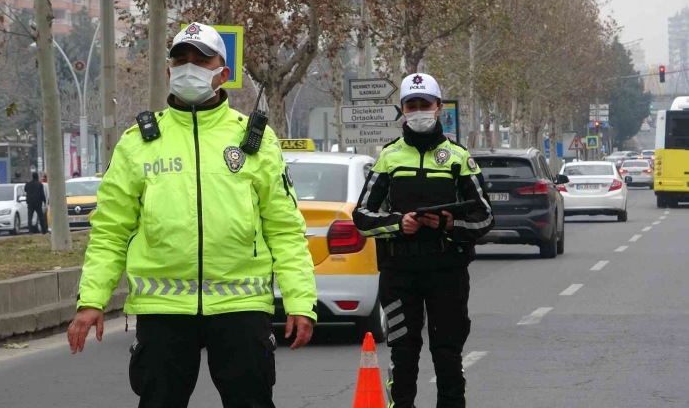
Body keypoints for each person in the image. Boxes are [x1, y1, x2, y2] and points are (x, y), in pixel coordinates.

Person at [67, 21, 318, 408]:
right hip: (163, 311)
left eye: (201, 60)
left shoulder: (253, 139)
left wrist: (301, 302)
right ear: (169, 71)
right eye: (181, 59)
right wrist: (91, 301)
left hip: (241, 308)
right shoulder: (139, 142)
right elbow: (110, 231)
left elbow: (284, 229)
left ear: (223, 72)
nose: (189, 67)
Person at [352, 73, 494, 408]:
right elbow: (362, 218)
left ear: (439, 108)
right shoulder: (388, 158)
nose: (418, 111)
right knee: (403, 354)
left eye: (424, 105)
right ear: (401, 110)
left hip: (448, 272)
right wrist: (399, 224)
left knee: (447, 355)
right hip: (400, 273)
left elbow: (485, 217)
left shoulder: (459, 158)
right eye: (411, 105)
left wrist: (448, 222)